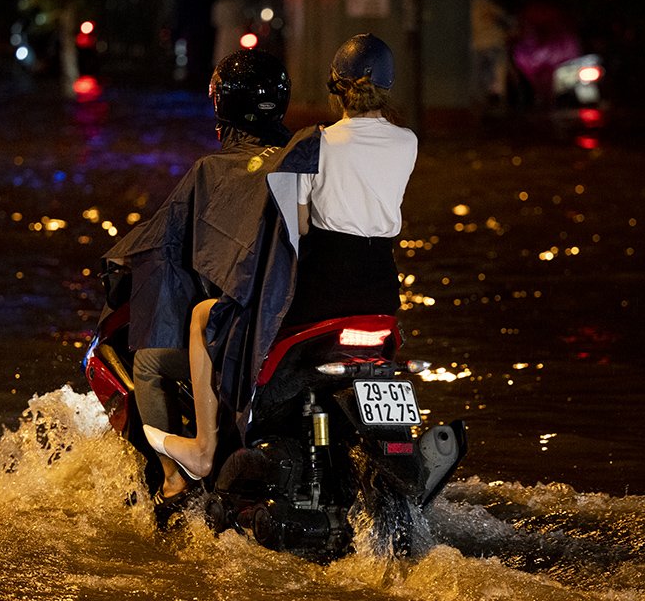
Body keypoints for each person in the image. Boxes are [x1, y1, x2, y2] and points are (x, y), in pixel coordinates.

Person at [103, 49, 293, 506]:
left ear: (222, 105)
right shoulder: (305, 158)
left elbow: (162, 239)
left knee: (148, 362)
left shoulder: (211, 171)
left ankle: (173, 479)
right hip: (300, 321)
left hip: (249, 331)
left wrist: (117, 263)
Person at [283, 33, 417, 325]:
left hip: (325, 285)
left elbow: (301, 225)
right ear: (388, 86)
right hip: (382, 285)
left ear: (336, 87)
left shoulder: (315, 142)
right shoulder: (408, 142)